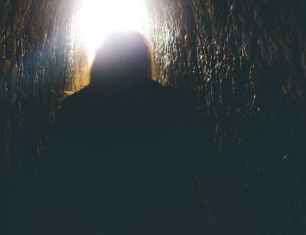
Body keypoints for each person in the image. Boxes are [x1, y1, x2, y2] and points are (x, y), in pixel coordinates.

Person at [32, 31, 213, 235]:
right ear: (143, 61)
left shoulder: (76, 108)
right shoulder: (170, 104)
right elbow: (192, 166)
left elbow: (55, 177)